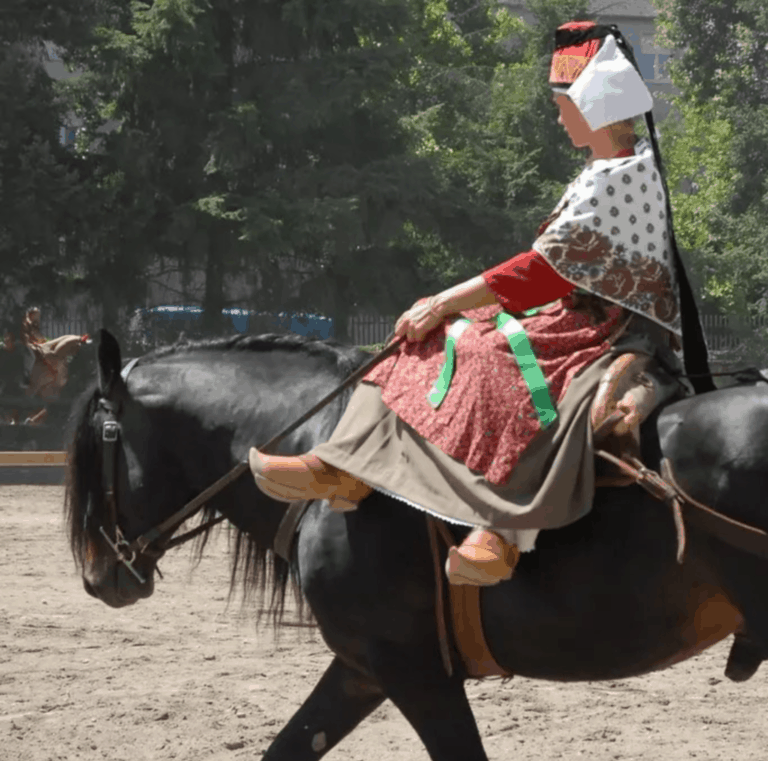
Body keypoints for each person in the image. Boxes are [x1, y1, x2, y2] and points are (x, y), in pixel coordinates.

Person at [248, 20, 710, 586]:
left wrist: (443, 300)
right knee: (432, 338)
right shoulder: (612, 170)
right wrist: (441, 309)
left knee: (495, 360)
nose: (559, 115)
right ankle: (345, 465)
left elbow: (539, 272)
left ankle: (505, 529)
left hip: (604, 331)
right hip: (573, 316)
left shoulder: (617, 177)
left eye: (564, 104)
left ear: (594, 108)